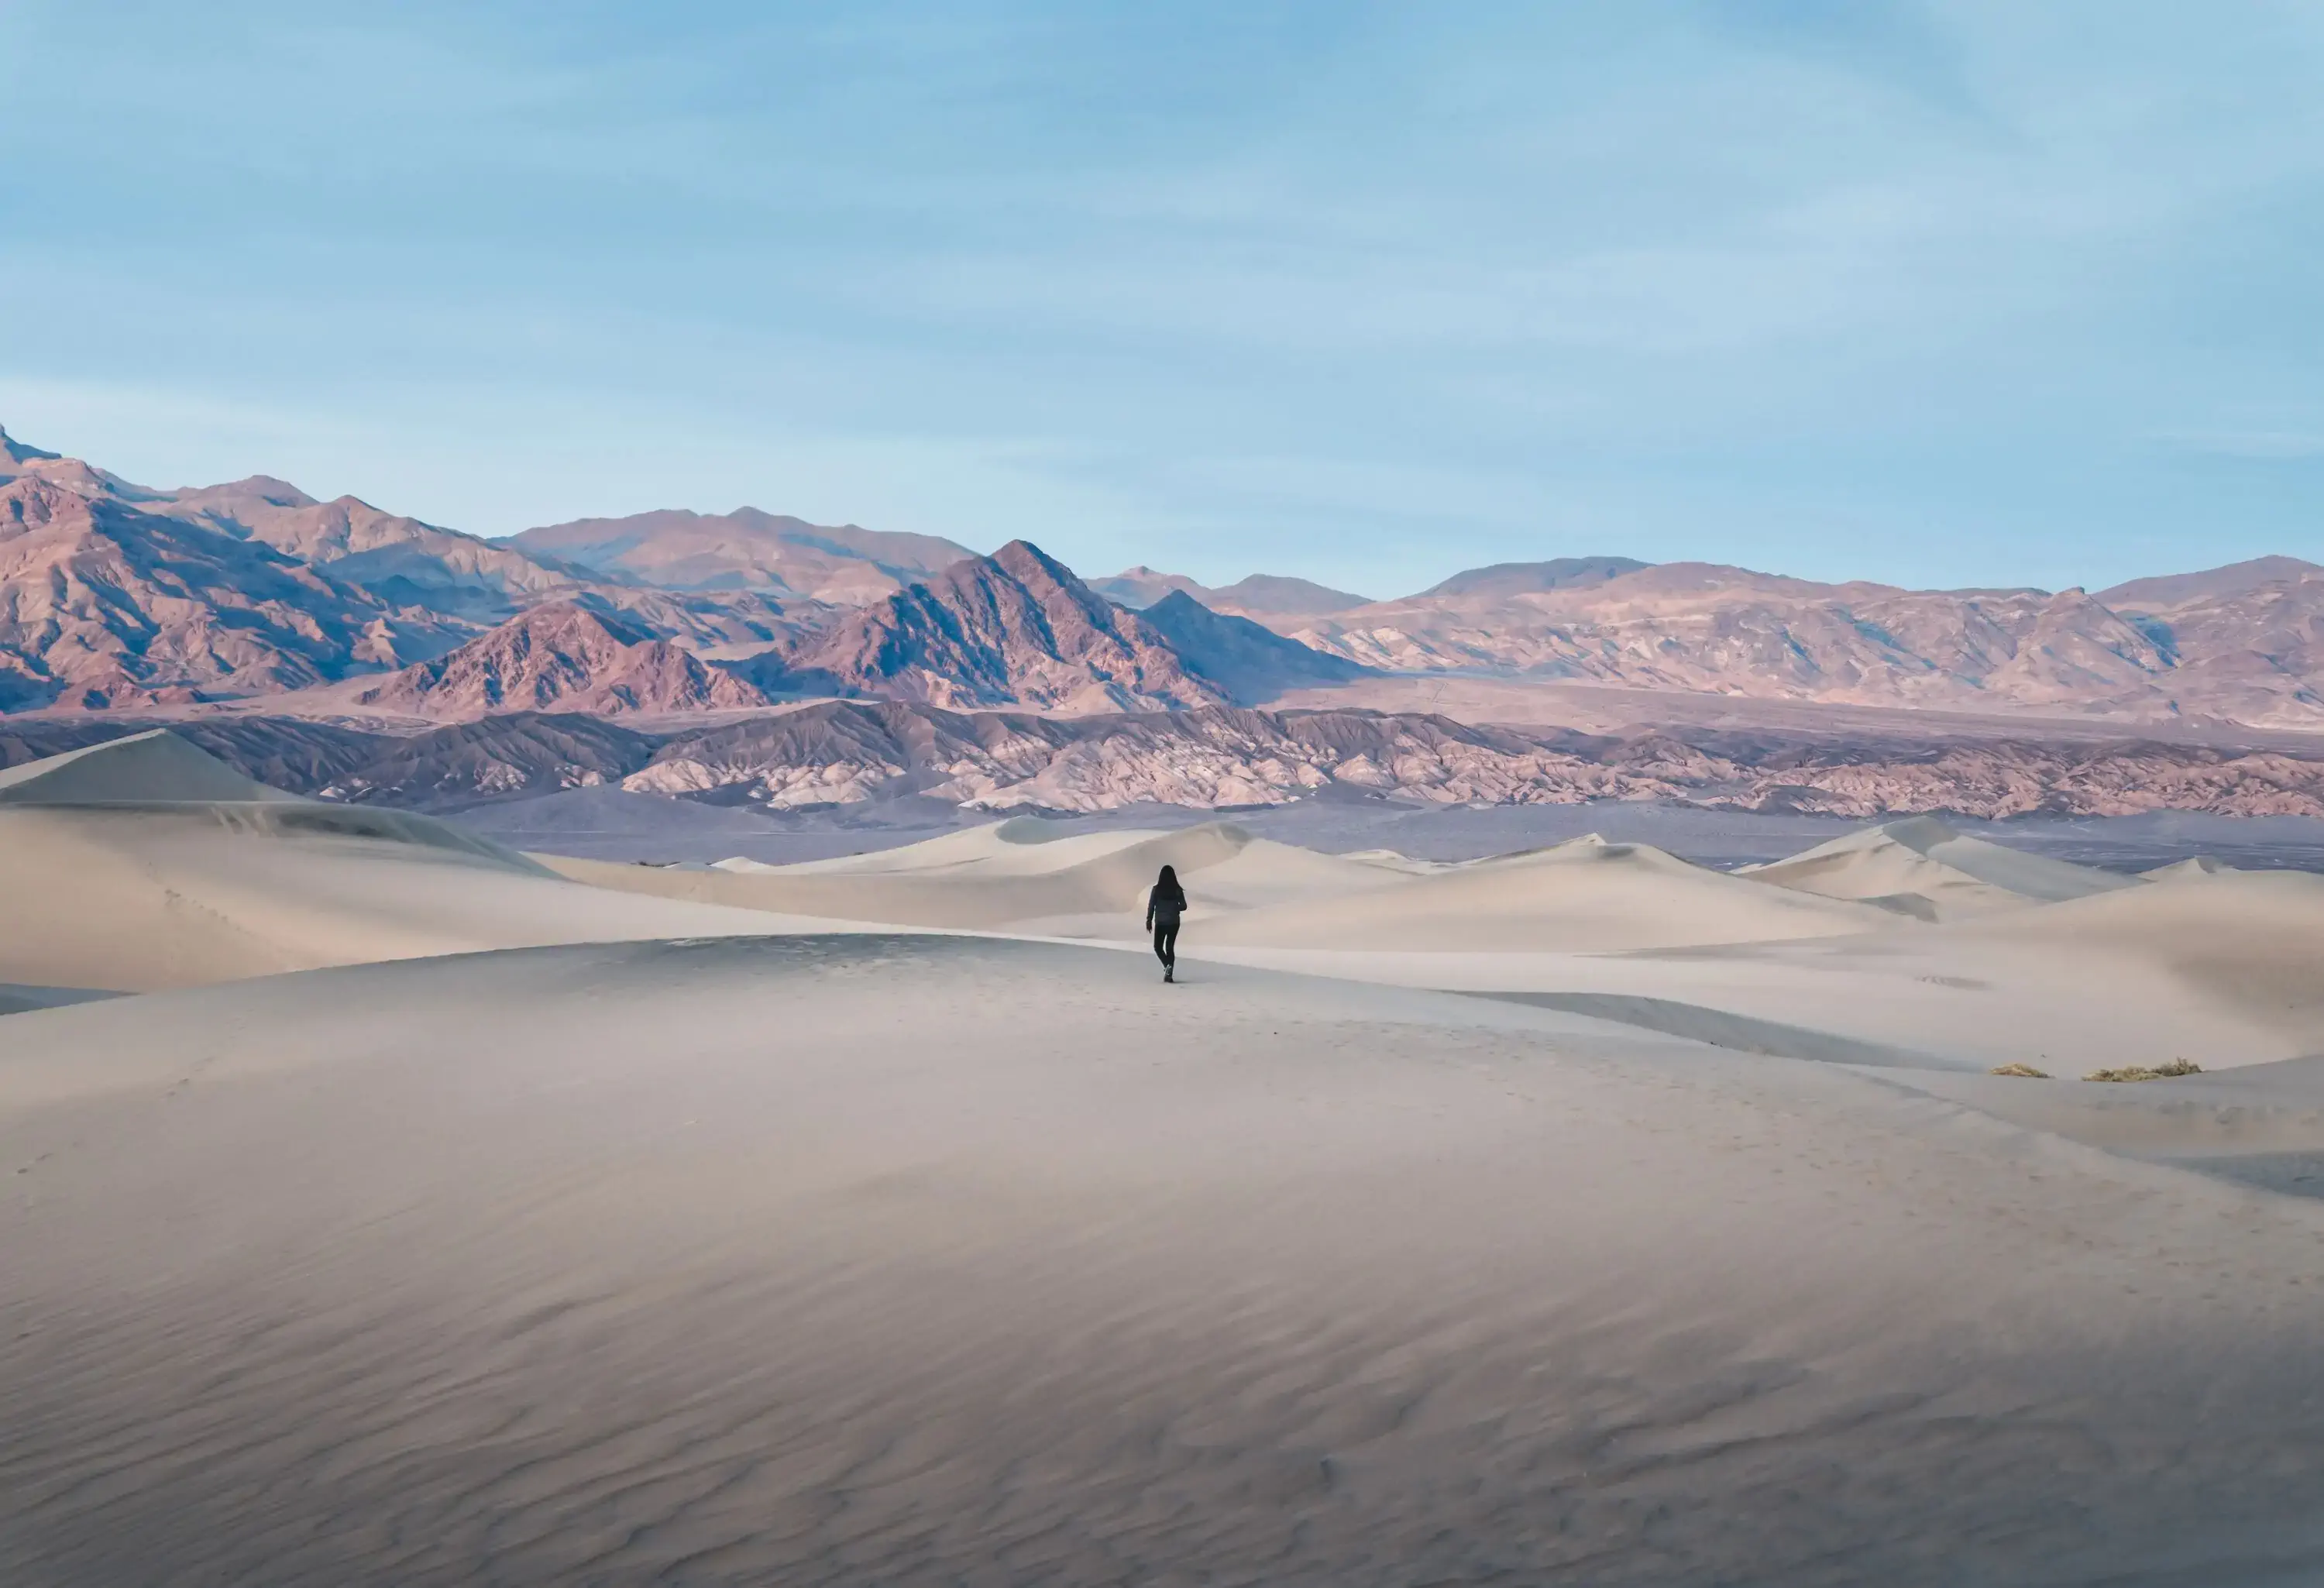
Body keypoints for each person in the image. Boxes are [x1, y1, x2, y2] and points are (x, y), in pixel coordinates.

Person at [1146, 864, 1187, 983]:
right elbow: (1184, 906)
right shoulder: (1177, 890)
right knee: (1169, 947)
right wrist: (1174, 909)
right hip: (1174, 922)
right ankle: (1169, 974)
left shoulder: (1156, 890)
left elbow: (1151, 906)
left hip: (1161, 922)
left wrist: (1149, 920)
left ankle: (1167, 966)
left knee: (1158, 947)